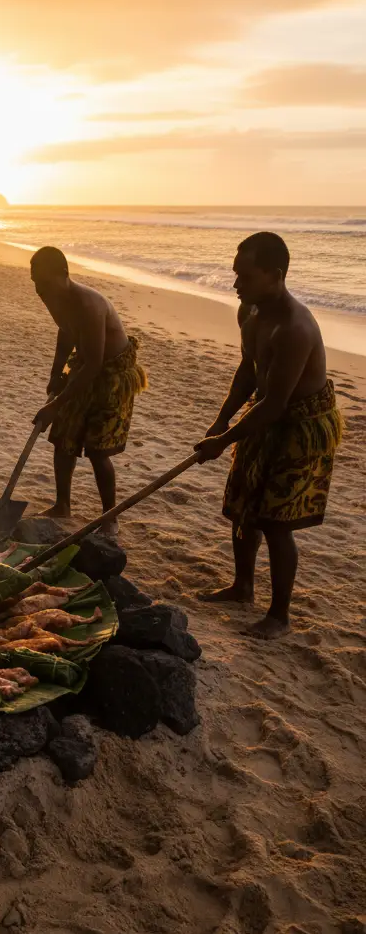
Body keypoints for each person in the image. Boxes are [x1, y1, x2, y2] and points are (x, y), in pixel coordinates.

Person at [193, 232, 342, 639]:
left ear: (275, 275)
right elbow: (247, 372)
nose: (236, 285)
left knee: (277, 520)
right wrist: (221, 421)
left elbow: (276, 403)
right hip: (264, 414)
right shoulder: (251, 314)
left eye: (245, 277)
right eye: (235, 275)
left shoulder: (295, 329)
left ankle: (279, 616)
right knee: (243, 504)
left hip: (300, 425)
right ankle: (242, 588)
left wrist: (223, 443)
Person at [30, 246, 147, 537]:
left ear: (64, 275)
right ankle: (62, 505)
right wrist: (56, 374)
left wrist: (56, 405)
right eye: (35, 283)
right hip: (85, 366)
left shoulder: (88, 304)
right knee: (63, 439)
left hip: (110, 375)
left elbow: (95, 363)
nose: (38, 290)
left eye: (43, 282)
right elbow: (66, 332)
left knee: (98, 450)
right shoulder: (52, 296)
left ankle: (110, 517)